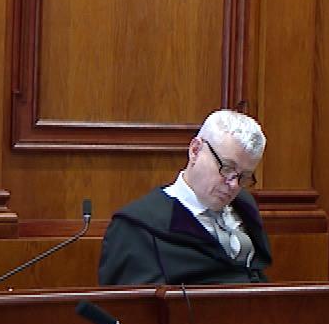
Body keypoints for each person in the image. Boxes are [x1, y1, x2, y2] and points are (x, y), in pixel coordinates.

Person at [98, 110, 272, 285]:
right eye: (226, 168)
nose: (234, 184)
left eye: (244, 176)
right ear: (195, 150)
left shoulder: (245, 207)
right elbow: (130, 300)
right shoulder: (135, 227)